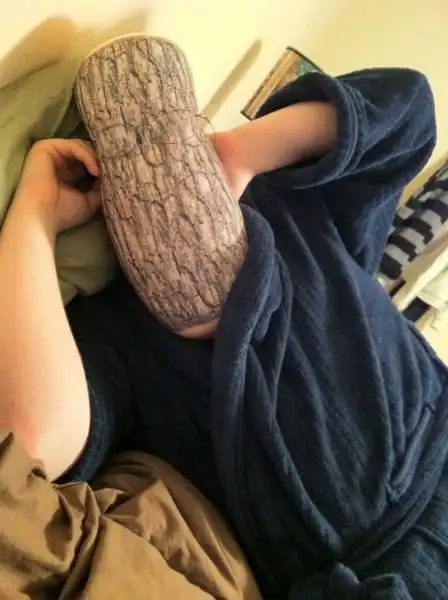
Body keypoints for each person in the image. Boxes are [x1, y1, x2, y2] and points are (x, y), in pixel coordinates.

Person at [0, 36, 448, 598]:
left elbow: (409, 109)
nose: (156, 176)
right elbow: (30, 444)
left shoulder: (295, 205)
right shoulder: (119, 337)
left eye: (168, 138)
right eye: (124, 161)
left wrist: (242, 152)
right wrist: (36, 217)